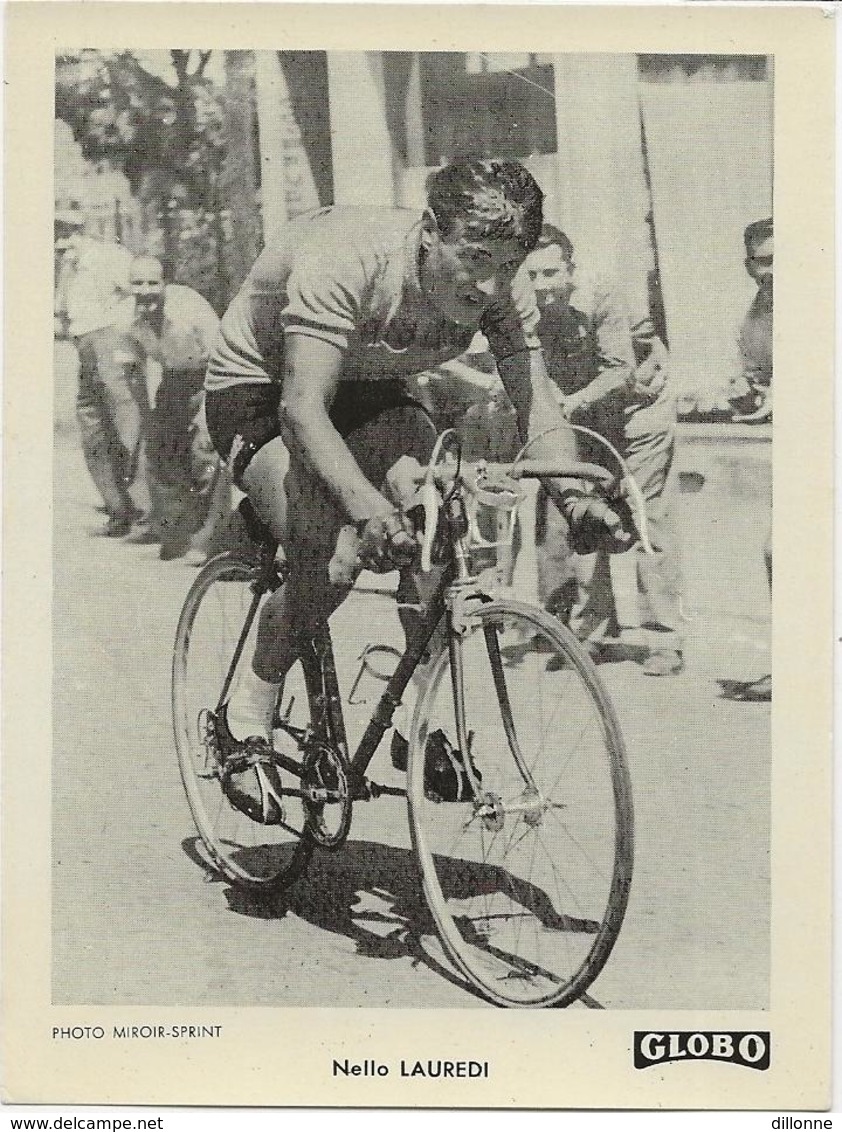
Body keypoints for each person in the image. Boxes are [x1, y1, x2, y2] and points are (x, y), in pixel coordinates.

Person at [203, 160, 630, 790]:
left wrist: (573, 495)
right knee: (333, 554)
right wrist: (367, 513)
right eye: (477, 259)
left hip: (373, 388)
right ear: (431, 230)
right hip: (267, 391)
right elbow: (302, 409)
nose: (490, 286)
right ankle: (247, 714)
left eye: (506, 267)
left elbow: (534, 396)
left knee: (436, 527)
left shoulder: (500, 283)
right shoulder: (349, 257)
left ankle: (419, 720)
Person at [524, 223, 684, 676]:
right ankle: (591, 633)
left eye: (551, 274)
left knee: (643, 514)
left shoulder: (601, 297)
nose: (542, 286)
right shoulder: (523, 307)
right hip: (586, 418)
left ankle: (664, 639)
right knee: (585, 511)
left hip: (638, 414)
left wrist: (566, 404)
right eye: (532, 276)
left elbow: (620, 371)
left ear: (570, 270)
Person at [119, 255, 225, 561]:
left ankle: (211, 542)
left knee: (205, 454)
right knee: (159, 453)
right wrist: (145, 415)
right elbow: (132, 369)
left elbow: (220, 355)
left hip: (209, 376)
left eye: (153, 282)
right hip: (173, 379)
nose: (145, 290)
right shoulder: (125, 318)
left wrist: (208, 409)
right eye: (137, 283)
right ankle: (175, 534)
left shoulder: (188, 308)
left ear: (165, 283)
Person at [54, 210, 140, 536]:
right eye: (58, 232)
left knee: (125, 426)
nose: (63, 239)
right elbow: (62, 311)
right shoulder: (68, 265)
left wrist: (122, 342)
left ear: (84, 228)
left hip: (110, 341)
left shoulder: (110, 256)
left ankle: (144, 514)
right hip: (84, 346)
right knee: (93, 430)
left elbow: (138, 294)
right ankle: (118, 510)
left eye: (69, 230)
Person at [724, 217, 773, 702]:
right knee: (778, 551)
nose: (774, 271)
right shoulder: (754, 321)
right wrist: (744, 394)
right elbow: (757, 384)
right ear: (749, 267)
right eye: (763, 262)